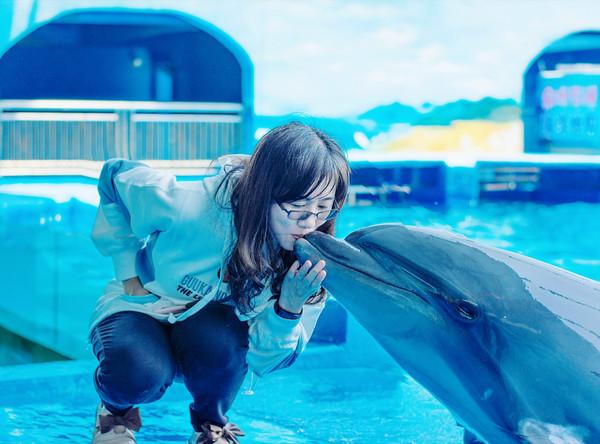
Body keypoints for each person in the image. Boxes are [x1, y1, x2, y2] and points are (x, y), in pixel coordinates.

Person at [89, 122, 350, 444]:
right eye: (296, 207)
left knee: (223, 341)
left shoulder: (307, 262)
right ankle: (114, 414)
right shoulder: (189, 204)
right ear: (263, 191)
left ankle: (210, 426)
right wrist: (128, 272)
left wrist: (289, 308)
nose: (309, 222)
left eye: (323, 208)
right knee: (138, 373)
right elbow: (114, 176)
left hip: (207, 331)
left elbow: (264, 361)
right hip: (142, 308)